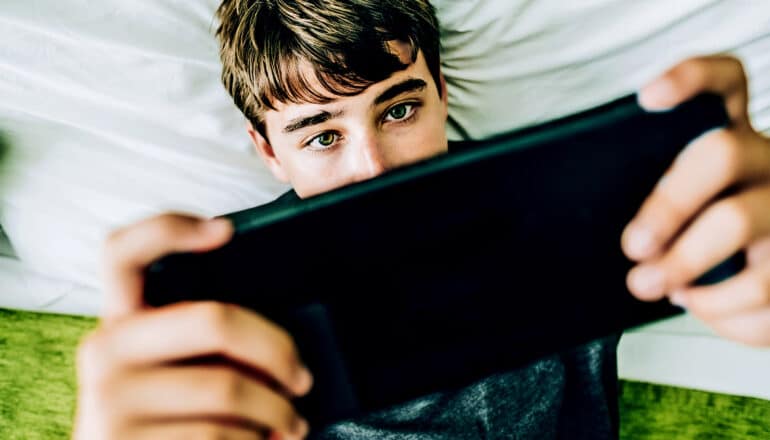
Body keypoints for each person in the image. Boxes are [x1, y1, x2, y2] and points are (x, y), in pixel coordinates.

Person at [72, 1, 770, 439]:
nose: (375, 169)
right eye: (322, 136)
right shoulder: (229, 291)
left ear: (441, 92)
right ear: (268, 151)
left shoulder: (557, 199)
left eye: (399, 109)